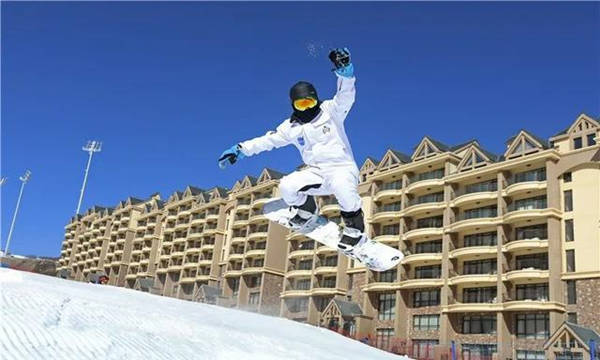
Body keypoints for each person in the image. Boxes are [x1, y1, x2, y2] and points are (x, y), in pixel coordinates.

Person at [218, 48, 365, 253]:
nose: (306, 108)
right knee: (287, 186)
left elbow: (346, 96)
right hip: (317, 172)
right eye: (301, 104)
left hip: (342, 169)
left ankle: (354, 230)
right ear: (293, 105)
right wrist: (241, 149)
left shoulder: (332, 111)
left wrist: (345, 72)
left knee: (343, 188)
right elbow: (268, 141)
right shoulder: (291, 127)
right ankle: (307, 210)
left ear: (316, 100)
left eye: (310, 102)